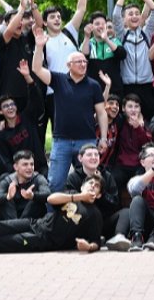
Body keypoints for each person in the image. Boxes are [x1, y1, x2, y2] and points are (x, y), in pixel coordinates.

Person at [32, 29, 108, 193]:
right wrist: (39, 47)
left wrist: (103, 138)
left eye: (84, 62)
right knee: (55, 185)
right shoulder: (59, 80)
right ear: (69, 65)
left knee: (90, 183)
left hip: (86, 141)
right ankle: (51, 217)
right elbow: (37, 69)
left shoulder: (93, 85)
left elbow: (101, 113)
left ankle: (89, 217)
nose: (83, 64)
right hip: (61, 142)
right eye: (78, 62)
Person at [39, 0, 88, 137]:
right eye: (52, 17)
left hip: (78, 88)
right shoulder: (42, 41)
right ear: (45, 22)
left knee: (79, 128)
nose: (57, 19)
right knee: (59, 133)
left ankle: (80, 162)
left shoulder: (69, 32)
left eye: (59, 16)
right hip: (54, 92)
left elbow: (81, 9)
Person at [112, 0, 154, 120]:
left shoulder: (146, 33)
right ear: (124, 19)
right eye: (130, 14)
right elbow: (115, 14)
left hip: (146, 85)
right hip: (127, 86)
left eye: (137, 14)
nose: (134, 16)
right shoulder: (122, 34)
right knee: (128, 122)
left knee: (149, 121)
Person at [66, 144, 130, 251]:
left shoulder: (107, 176)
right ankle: (93, 239)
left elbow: (115, 203)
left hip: (104, 220)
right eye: (89, 155)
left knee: (126, 212)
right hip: (84, 221)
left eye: (96, 155)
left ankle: (118, 237)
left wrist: (101, 192)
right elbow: (69, 200)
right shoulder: (74, 177)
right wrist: (85, 196)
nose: (94, 157)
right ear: (80, 158)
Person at [0, 150, 50, 220]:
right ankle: (16, 225)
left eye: (32, 164)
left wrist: (33, 195)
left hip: (31, 219)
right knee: (5, 200)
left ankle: (17, 225)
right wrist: (8, 196)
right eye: (25, 164)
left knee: (36, 201)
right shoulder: (8, 179)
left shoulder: (38, 178)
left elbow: (48, 194)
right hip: (11, 217)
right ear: (16, 167)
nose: (29, 167)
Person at [82, 11, 127, 98]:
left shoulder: (113, 41)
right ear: (91, 26)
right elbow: (83, 58)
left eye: (103, 23)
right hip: (94, 91)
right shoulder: (88, 43)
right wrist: (87, 37)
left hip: (115, 91)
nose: (101, 26)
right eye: (97, 24)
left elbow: (122, 55)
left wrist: (106, 39)